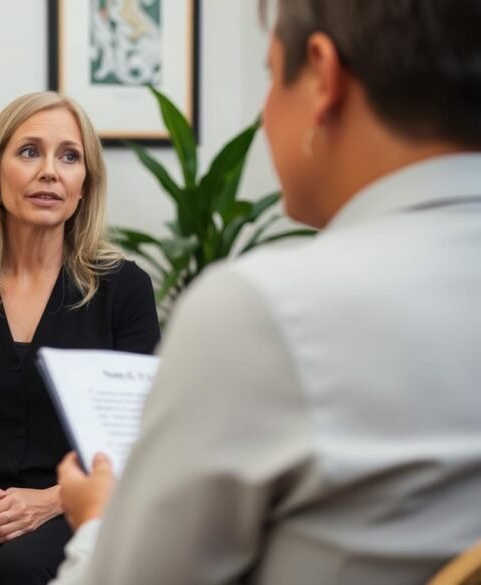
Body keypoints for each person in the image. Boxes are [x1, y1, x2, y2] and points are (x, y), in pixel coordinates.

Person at [51, 1, 481, 583]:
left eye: (272, 75)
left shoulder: (264, 310)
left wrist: (99, 518)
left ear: (324, 76)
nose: (265, 109)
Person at [0, 92, 160, 585]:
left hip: (73, 503)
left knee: (22, 570)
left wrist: (48, 501)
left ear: (84, 186)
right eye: (29, 152)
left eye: (69, 156)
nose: (50, 171)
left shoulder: (124, 289)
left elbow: (135, 433)